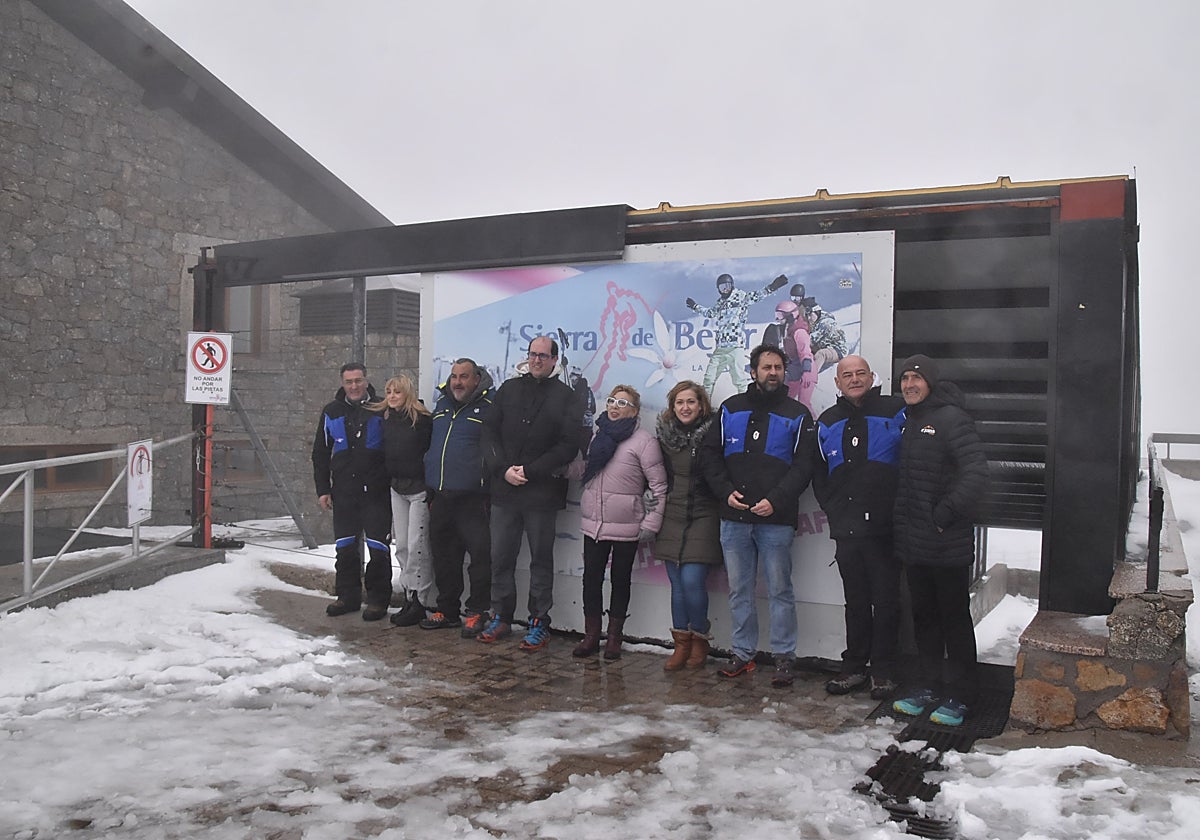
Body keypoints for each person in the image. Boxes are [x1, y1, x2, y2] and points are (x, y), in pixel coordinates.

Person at [702, 344, 815, 687]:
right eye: (766, 367)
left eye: (778, 367)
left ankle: (783, 657)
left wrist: (776, 501)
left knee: (780, 590)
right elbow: (709, 456)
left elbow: (804, 466)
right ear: (753, 372)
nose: (772, 373)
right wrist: (725, 492)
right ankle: (743, 653)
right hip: (734, 518)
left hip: (775, 520)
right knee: (740, 590)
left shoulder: (798, 413)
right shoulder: (729, 409)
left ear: (784, 372)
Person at [890, 355, 988, 727]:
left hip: (946, 543)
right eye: (904, 378)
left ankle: (962, 695)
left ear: (930, 382)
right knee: (924, 619)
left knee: (954, 621)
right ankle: (928, 687)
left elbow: (977, 474)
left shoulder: (951, 418)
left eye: (916, 378)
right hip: (915, 544)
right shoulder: (910, 421)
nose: (909, 384)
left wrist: (944, 515)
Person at [812, 355, 906, 700]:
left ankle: (883, 672)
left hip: (886, 528)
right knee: (855, 601)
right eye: (846, 375)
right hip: (848, 529)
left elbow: (912, 462)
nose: (854, 379)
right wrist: (834, 510)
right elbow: (819, 474)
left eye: (860, 373)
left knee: (886, 601)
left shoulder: (896, 411)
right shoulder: (827, 420)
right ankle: (853, 667)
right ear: (837, 382)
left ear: (871, 376)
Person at [478, 335, 581, 649]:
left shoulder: (566, 396)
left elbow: (568, 445)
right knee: (501, 557)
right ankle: (501, 617)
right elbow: (488, 432)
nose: (537, 360)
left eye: (543, 356)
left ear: (554, 360)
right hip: (504, 489)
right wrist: (503, 469)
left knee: (540, 560)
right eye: (533, 354)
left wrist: (531, 471)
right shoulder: (508, 389)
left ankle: (539, 622)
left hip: (541, 493)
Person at [571, 385, 668, 661]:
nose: (614, 406)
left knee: (620, 580)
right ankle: (591, 635)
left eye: (622, 403)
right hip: (594, 525)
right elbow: (588, 469)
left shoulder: (644, 442)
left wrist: (651, 522)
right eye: (612, 401)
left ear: (634, 411)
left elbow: (659, 487)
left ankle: (614, 637)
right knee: (590, 579)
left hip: (626, 525)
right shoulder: (597, 436)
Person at [420, 358, 495, 635]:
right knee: (445, 557)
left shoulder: (489, 407)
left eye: (463, 377)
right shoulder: (441, 405)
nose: (457, 382)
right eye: (454, 376)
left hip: (473, 498)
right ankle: (447, 610)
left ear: (476, 378)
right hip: (441, 495)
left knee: (479, 558)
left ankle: (477, 611)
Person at [311, 362, 392, 621]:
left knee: (378, 547)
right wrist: (323, 489)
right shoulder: (331, 412)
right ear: (343, 384)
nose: (354, 386)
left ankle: (378, 600)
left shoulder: (382, 408)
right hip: (344, 491)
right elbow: (320, 454)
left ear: (366, 381)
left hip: (376, 492)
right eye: (349, 382)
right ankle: (347, 596)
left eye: (358, 381)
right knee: (345, 547)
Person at [654, 380, 723, 670]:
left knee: (693, 581)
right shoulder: (665, 438)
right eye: (679, 402)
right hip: (672, 515)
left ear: (701, 405)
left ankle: (700, 638)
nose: (685, 407)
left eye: (690, 402)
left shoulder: (714, 435)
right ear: (672, 407)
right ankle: (680, 644)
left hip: (705, 515)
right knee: (677, 585)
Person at [373, 375, 435, 628]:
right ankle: (408, 594)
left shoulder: (421, 421)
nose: (392, 396)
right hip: (397, 487)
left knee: (416, 544)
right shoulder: (387, 419)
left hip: (418, 488)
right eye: (388, 392)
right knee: (402, 546)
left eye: (396, 392)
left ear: (406, 393)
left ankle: (420, 599)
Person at [685, 273, 789, 395]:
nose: (725, 289)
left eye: (727, 286)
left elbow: (757, 296)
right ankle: (705, 408)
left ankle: (746, 406)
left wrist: (773, 287)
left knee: (739, 380)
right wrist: (695, 306)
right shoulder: (720, 302)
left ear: (732, 285)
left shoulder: (740, 297)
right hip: (721, 348)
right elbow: (710, 313)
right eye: (722, 287)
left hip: (735, 347)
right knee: (709, 378)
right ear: (718, 289)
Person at [763, 300, 817, 409]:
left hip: (806, 370)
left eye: (780, 315)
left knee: (804, 404)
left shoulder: (799, 332)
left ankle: (812, 423)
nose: (778, 319)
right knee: (785, 401)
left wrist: (806, 371)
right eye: (777, 315)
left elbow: (805, 352)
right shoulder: (788, 329)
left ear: (790, 315)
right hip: (795, 370)